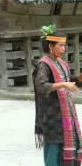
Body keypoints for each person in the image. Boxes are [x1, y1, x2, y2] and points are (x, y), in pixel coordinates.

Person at [33, 24, 82, 166]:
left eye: (64, 45)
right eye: (60, 45)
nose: (63, 49)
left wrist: (79, 79)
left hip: (65, 117)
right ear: (51, 46)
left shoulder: (61, 63)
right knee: (54, 153)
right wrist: (63, 85)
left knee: (65, 149)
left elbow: (71, 82)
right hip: (52, 118)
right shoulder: (43, 64)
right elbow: (41, 86)